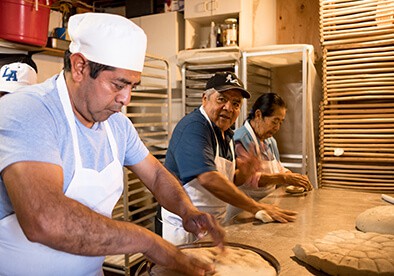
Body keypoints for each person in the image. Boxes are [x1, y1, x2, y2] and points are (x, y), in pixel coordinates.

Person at [0, 13, 225, 276]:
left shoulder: (116, 124)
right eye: (118, 85)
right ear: (80, 67)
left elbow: (155, 175)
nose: (126, 99)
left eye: (132, 86)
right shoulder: (29, 110)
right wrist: (149, 242)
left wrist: (187, 211)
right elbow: (44, 219)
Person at [161, 72, 298, 245]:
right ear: (205, 99)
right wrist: (256, 207)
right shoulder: (194, 127)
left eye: (235, 104)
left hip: (215, 224)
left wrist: (245, 172)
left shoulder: (226, 135)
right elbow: (208, 178)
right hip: (186, 227)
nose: (228, 107)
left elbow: (230, 179)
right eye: (221, 99)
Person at [226, 93, 313, 220]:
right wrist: (283, 178)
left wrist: (294, 177)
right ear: (258, 115)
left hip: (267, 204)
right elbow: (247, 179)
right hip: (243, 210)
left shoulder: (269, 140)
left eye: (281, 122)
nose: (277, 127)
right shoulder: (240, 139)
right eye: (274, 121)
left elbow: (278, 167)